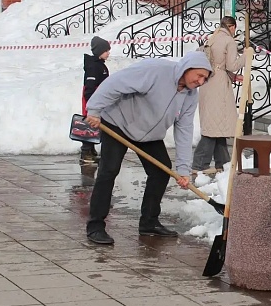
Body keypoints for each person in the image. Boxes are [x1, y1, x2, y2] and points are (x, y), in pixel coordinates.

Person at [83, 51, 213, 245]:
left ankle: (149, 222)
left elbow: (184, 129)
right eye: (199, 75)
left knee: (161, 171)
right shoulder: (156, 71)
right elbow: (115, 83)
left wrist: (184, 169)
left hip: (149, 134)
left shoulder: (190, 95)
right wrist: (94, 109)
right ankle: (95, 226)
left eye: (205, 78)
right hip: (119, 122)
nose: (201, 81)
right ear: (187, 68)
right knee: (109, 170)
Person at [192, 16, 245, 175]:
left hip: (208, 82)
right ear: (232, 27)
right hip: (219, 86)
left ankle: (223, 163)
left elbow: (217, 64)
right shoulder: (229, 41)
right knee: (213, 127)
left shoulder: (212, 37)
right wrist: (247, 56)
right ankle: (200, 164)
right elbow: (232, 65)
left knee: (217, 124)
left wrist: (232, 77)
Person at [80, 36, 111, 163]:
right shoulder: (93, 67)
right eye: (106, 50)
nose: (108, 53)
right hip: (92, 99)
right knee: (90, 123)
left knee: (96, 124)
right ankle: (86, 152)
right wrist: (92, 102)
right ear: (99, 51)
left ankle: (90, 149)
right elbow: (89, 87)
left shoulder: (100, 65)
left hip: (99, 98)